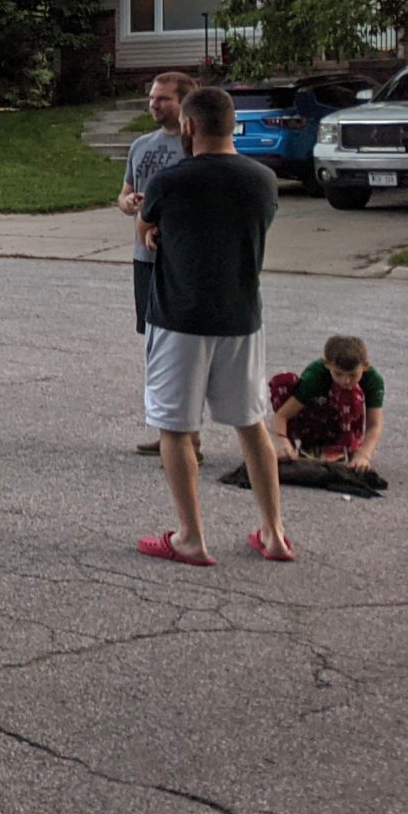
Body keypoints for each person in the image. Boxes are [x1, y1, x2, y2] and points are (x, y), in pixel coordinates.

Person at [135, 84, 289, 565]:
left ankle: (191, 537)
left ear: (189, 126)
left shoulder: (171, 180)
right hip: (242, 317)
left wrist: (157, 233)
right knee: (251, 423)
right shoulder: (263, 180)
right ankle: (274, 531)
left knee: (175, 427)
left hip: (180, 317)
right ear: (231, 125)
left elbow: (149, 228)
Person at [118, 71, 195, 453]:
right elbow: (124, 194)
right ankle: (170, 432)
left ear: (183, 103)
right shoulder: (140, 146)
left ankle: (188, 437)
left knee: (180, 346)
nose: (154, 104)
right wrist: (129, 203)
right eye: (152, 97)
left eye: (163, 99)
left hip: (179, 259)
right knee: (153, 344)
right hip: (143, 258)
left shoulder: (195, 146)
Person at [270, 333, 387, 468]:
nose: (346, 380)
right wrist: (281, 440)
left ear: (365, 366)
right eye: (338, 373)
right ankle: (300, 446)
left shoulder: (373, 380)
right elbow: (282, 415)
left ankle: (343, 446)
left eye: (353, 375)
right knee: (283, 382)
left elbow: (374, 425)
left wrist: (363, 454)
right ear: (327, 365)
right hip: (313, 420)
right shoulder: (315, 376)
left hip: (342, 424)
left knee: (350, 391)